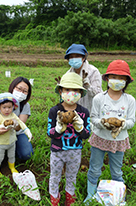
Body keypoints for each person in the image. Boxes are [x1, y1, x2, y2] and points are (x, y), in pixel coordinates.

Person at [84, 60, 136, 203]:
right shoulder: (99, 98)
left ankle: (119, 196)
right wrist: (102, 123)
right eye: (114, 77)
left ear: (126, 81)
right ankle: (90, 194)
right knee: (94, 168)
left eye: (121, 78)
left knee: (117, 171)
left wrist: (121, 124)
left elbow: (132, 121)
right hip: (100, 137)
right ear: (107, 78)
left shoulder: (130, 100)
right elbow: (93, 118)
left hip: (118, 140)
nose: (117, 81)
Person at [47, 72, 91, 206]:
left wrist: (80, 128)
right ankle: (54, 197)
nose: (71, 93)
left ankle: (70, 198)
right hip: (57, 151)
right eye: (67, 90)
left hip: (75, 151)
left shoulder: (84, 112)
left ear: (80, 93)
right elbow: (50, 132)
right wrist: (58, 129)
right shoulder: (55, 111)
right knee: (55, 176)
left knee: (71, 177)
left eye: (75, 90)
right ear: (60, 91)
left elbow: (86, 134)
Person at [0, 77, 34, 161]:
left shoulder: (25, 106)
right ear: (12, 87)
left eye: (25, 91)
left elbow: (19, 128)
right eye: (19, 89)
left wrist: (14, 124)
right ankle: (2, 154)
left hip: (15, 134)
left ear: (28, 94)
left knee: (27, 154)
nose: (21, 93)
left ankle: (11, 152)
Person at [0, 93, 33, 177]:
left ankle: (12, 167)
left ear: (13, 107)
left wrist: (27, 131)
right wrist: (4, 125)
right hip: (1, 143)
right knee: (0, 157)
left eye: (9, 107)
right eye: (4, 107)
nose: (7, 110)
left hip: (12, 141)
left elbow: (20, 122)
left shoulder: (13, 115)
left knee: (11, 156)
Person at [56, 43, 103, 113]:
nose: (74, 59)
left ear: (84, 57)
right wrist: (62, 90)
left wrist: (88, 86)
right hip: (74, 112)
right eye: (71, 57)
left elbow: (99, 94)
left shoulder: (93, 72)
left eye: (77, 56)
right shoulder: (68, 74)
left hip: (91, 110)